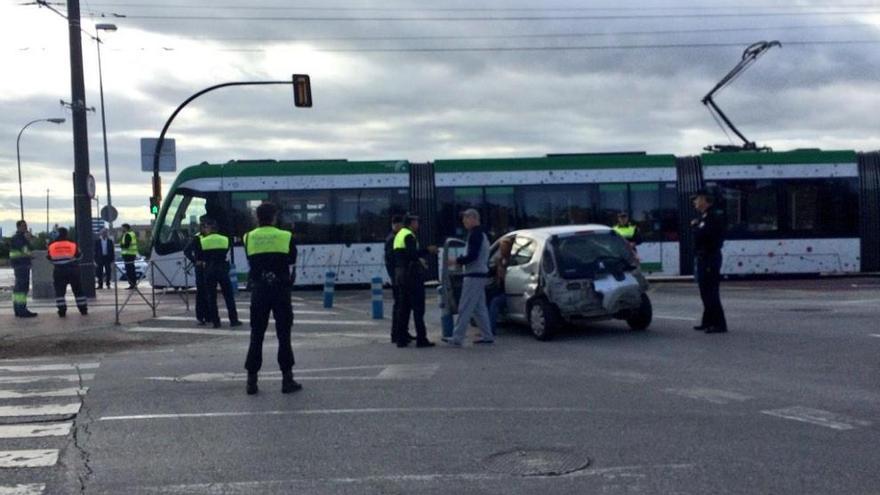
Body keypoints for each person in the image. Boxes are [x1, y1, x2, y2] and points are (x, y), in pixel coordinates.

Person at [243, 202, 300, 395]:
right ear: (274, 217)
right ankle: (287, 379)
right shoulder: (286, 237)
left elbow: (250, 259)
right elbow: (292, 260)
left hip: (259, 291)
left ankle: (251, 380)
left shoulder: (248, 237)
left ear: (257, 218)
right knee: (284, 335)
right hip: (281, 290)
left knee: (256, 335)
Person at [446, 209, 494, 346]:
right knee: (479, 308)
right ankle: (487, 335)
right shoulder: (482, 234)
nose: (463, 222)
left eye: (465, 219)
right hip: (480, 274)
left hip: (473, 275)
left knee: (465, 306)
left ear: (473, 218)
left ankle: (457, 337)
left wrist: (456, 261)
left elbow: (473, 256)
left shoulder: (475, 235)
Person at [392, 214, 436, 348]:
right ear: (411, 223)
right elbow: (412, 254)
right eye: (417, 222)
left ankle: (401, 339)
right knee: (418, 308)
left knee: (404, 308)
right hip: (411, 276)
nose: (418, 225)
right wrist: (427, 250)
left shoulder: (399, 235)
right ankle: (421, 339)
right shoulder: (409, 236)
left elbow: (403, 255)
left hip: (401, 274)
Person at [691, 189, 728, 334]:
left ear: (705, 201)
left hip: (709, 258)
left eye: (697, 199)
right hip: (703, 258)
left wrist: (696, 227)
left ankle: (719, 324)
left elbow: (710, 237)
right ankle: (707, 321)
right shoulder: (704, 217)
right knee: (704, 291)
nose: (695, 202)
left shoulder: (713, 218)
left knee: (711, 292)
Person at [195, 218, 241, 328]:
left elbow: (199, 257)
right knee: (228, 296)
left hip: (209, 270)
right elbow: (226, 252)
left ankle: (216, 322)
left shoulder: (202, 241)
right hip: (222, 269)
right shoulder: (225, 239)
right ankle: (233, 320)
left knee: (212, 297)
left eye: (206, 227)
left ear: (209, 228)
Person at [384, 215, 413, 344]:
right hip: (398, 277)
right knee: (400, 306)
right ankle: (397, 333)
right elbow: (394, 260)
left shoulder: (393, 237)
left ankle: (401, 332)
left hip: (397, 277)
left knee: (401, 306)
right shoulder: (394, 239)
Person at [47, 227, 87, 317]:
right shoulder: (72, 244)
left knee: (60, 292)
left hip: (59, 270)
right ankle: (83, 309)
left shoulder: (52, 245)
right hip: (73, 269)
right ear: (66, 234)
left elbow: (49, 258)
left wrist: (58, 262)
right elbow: (80, 256)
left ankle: (62, 311)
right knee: (78, 290)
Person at [10, 220, 37, 318]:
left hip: (19, 264)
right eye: (23, 226)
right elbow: (25, 249)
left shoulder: (18, 238)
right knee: (22, 288)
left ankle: (18, 309)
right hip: (21, 265)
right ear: (18, 227)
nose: (25, 227)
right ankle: (21, 310)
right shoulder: (19, 238)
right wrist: (30, 254)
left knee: (19, 288)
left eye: (25, 225)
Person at [487, 236, 513, 335]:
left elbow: (504, 277)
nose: (501, 250)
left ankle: (490, 330)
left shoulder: (510, 261)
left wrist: (499, 265)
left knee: (495, 302)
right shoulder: (502, 260)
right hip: (500, 289)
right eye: (501, 248)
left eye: (504, 248)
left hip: (509, 292)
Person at [184, 221, 208, 325]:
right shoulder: (197, 238)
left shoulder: (210, 237)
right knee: (201, 292)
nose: (207, 229)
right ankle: (201, 316)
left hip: (208, 266)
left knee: (208, 292)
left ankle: (208, 315)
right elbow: (186, 251)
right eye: (205, 227)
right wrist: (195, 261)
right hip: (200, 267)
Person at [119, 224, 139, 289]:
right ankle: (133, 284)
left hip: (128, 255)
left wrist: (121, 245)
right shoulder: (131, 234)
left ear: (125, 228)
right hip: (131, 254)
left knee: (130, 271)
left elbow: (126, 245)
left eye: (122, 228)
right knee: (131, 270)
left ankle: (132, 284)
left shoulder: (128, 235)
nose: (122, 229)